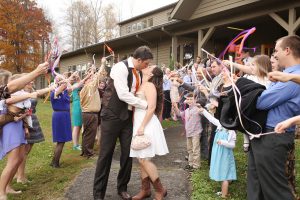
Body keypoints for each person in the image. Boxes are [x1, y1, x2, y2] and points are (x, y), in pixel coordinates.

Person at [93, 46, 151, 200]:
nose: (147, 66)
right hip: (111, 116)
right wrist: (146, 105)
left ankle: (122, 188)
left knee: (127, 154)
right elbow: (123, 94)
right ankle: (98, 194)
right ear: (138, 60)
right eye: (146, 63)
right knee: (106, 155)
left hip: (127, 117)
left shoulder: (138, 72)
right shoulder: (120, 67)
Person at [251, 35, 300, 200]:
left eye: (276, 50)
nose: (275, 54)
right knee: (258, 186)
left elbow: (262, 102)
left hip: (274, 135)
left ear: (287, 50)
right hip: (267, 134)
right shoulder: (286, 74)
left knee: (275, 191)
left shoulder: (294, 76)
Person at [130, 66, 168, 200]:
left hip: (146, 124)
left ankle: (160, 189)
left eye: (150, 66)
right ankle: (145, 190)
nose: (147, 66)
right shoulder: (142, 84)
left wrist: (142, 126)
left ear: (151, 73)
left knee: (144, 159)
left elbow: (151, 107)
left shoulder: (150, 86)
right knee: (141, 159)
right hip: (140, 123)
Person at [199, 99, 236, 199]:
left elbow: (233, 145)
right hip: (219, 154)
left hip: (225, 155)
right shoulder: (220, 125)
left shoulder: (231, 132)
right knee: (222, 171)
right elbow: (211, 119)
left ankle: (224, 195)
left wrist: (223, 142)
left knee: (225, 175)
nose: (222, 121)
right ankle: (224, 189)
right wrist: (203, 110)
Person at [173, 92, 202, 170]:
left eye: (191, 99)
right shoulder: (187, 110)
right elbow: (179, 114)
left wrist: (197, 105)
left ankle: (196, 166)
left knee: (195, 149)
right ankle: (190, 164)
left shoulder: (198, 108)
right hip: (188, 133)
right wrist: (175, 108)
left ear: (195, 99)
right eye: (188, 99)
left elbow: (203, 112)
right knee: (189, 149)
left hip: (196, 132)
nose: (189, 101)